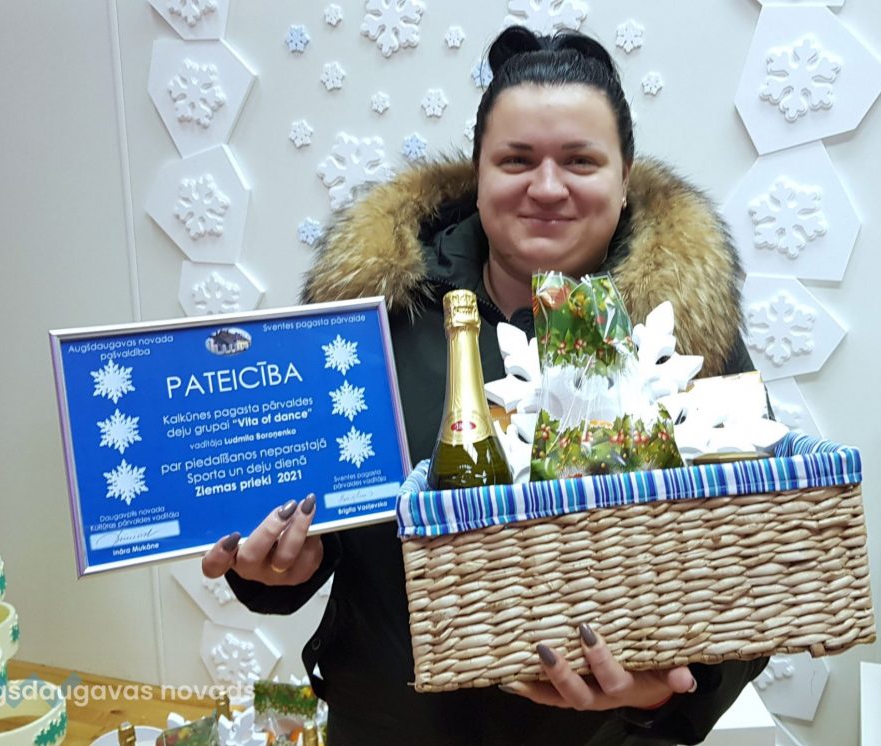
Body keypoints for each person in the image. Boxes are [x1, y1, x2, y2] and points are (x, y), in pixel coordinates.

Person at [202, 26, 765, 745]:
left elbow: (755, 569)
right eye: (517, 160)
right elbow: (315, 533)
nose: (548, 187)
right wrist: (275, 570)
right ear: (478, 173)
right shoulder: (373, 319)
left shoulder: (682, 335)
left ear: (625, 177)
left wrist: (666, 692)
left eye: (581, 161)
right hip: (389, 727)